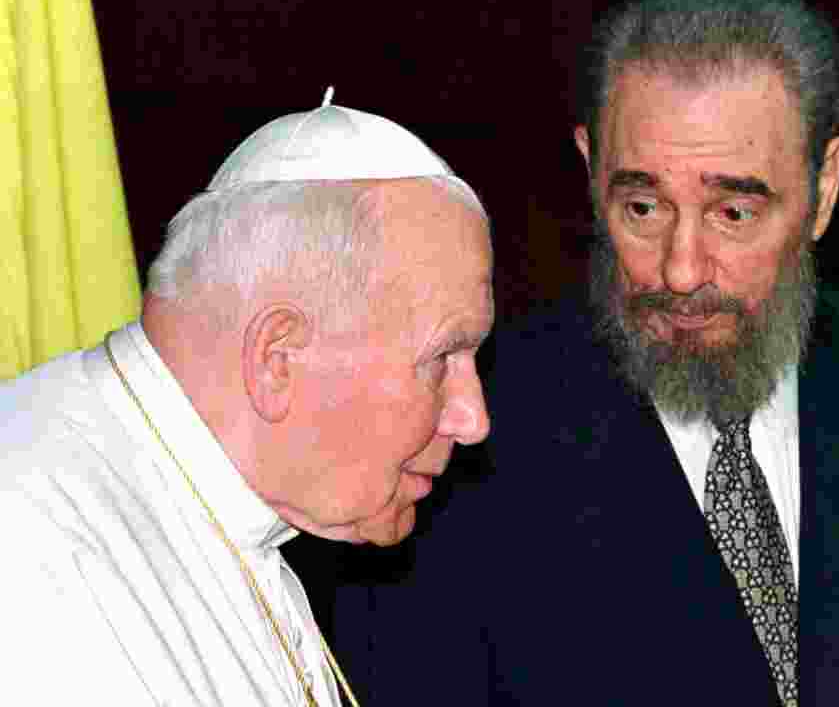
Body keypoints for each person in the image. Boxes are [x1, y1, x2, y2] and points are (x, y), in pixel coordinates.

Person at [332, 0, 839, 704]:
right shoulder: (458, 451)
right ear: (589, 169)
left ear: (824, 189)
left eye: (733, 213)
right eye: (642, 207)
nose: (681, 270)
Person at [0, 93, 494, 706]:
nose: (472, 420)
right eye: (443, 357)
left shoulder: (238, 523)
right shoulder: (26, 550)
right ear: (276, 357)